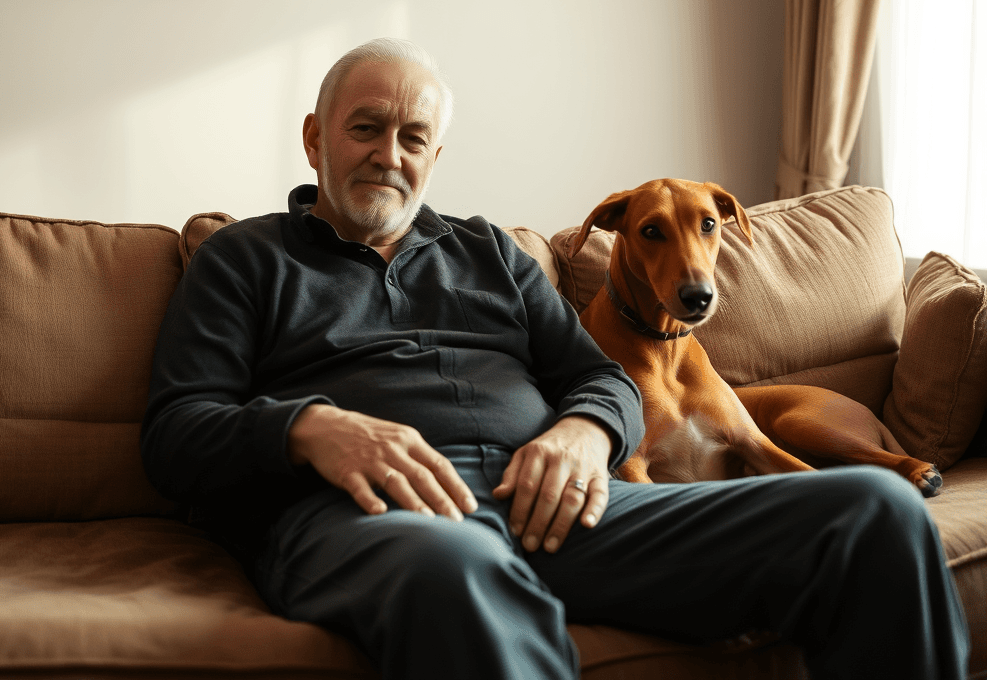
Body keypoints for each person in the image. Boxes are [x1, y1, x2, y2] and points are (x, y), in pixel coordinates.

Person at [141, 38, 969, 680]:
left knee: (870, 509)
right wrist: (312, 429)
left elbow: (601, 378)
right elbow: (177, 433)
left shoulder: (487, 254)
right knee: (457, 564)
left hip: (561, 504)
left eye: (413, 136)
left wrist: (584, 433)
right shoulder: (243, 259)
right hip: (375, 520)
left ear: (436, 156)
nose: (389, 154)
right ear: (316, 138)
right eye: (365, 128)